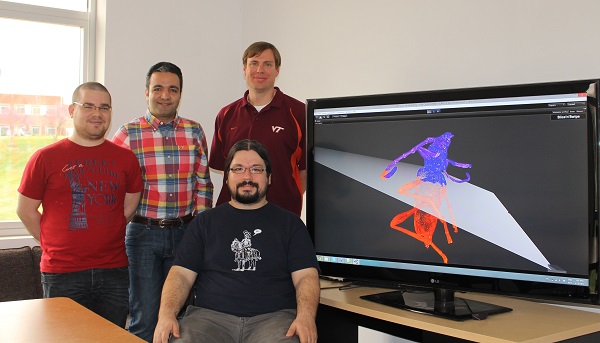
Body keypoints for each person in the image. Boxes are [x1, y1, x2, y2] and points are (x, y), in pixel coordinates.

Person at [153, 139, 320, 343]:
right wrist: (166, 315)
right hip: (208, 320)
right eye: (238, 169)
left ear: (269, 177)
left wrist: (305, 317)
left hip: (273, 321)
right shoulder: (204, 223)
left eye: (256, 169)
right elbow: (180, 274)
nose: (247, 176)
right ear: (226, 177)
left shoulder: (291, 224)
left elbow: (306, 277)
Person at [16, 81, 143, 327]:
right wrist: (53, 244)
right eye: (88, 106)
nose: (97, 113)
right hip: (63, 274)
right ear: (72, 111)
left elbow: (127, 208)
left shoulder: (125, 159)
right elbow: (25, 209)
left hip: (113, 272)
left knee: (111, 338)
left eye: (104, 107)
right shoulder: (45, 158)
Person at [112, 61, 213, 342]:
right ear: (146, 92)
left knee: (181, 319)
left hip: (185, 234)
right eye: (158, 88)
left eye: (172, 89)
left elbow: (203, 183)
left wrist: (201, 229)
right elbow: (112, 189)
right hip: (142, 235)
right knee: (144, 316)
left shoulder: (194, 131)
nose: (165, 95)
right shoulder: (127, 133)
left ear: (181, 93)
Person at [209, 41, 307, 217]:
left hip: (282, 215)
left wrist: (291, 198)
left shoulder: (299, 113)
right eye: (254, 63)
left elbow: (305, 169)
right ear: (244, 69)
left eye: (267, 64)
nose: (260, 70)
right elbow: (224, 167)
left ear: (277, 70)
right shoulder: (226, 114)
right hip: (233, 215)